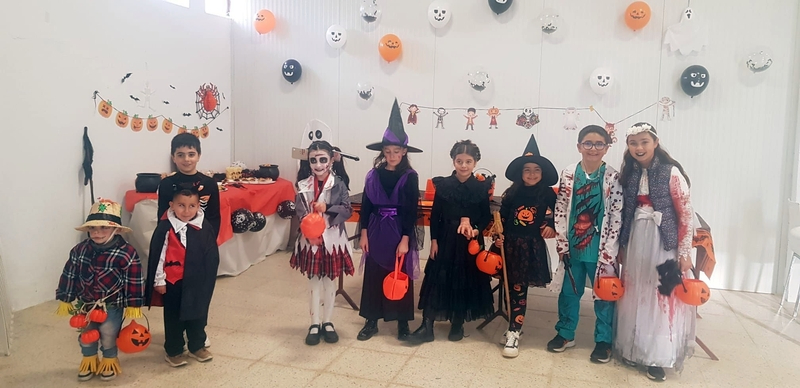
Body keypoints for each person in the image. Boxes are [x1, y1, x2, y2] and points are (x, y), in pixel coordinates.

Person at [614, 122, 695, 382]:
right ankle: (633, 348)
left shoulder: (671, 173)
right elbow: (624, 211)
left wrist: (684, 252)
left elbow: (685, 214)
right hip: (637, 237)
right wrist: (622, 246)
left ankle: (658, 356)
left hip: (664, 241)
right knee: (636, 290)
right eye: (633, 142)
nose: (639, 147)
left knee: (661, 294)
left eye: (644, 142)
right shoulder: (629, 173)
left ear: (655, 143)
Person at [549, 125, 623, 364]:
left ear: (607, 148)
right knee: (569, 292)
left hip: (600, 249)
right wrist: (562, 243)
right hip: (573, 245)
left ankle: (603, 340)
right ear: (579, 146)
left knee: (604, 295)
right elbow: (560, 208)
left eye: (599, 144)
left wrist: (609, 251)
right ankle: (565, 333)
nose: (593, 148)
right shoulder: (569, 172)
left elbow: (616, 214)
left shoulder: (613, 177)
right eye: (588, 143)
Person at [409, 140, 494, 344]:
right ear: (453, 161)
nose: (463, 166)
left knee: (464, 280)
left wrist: (475, 229)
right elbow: (436, 215)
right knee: (438, 279)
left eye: (468, 161)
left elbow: (485, 216)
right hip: (446, 238)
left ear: (476, 162)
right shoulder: (444, 185)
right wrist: (434, 240)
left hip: (470, 242)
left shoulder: (482, 187)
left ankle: (458, 322)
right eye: (459, 161)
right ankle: (427, 325)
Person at [56, 199, 144, 381]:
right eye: (93, 228)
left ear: (116, 230)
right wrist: (66, 297)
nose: (97, 232)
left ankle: (109, 361)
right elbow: (70, 273)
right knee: (86, 334)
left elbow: (134, 280)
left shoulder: (126, 253)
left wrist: (133, 304)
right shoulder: (79, 250)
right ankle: (89, 360)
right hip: (85, 304)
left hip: (111, 306)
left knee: (108, 334)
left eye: (104, 228)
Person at [357, 99, 422, 342]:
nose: (392, 155)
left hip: (398, 231)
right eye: (388, 151)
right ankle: (371, 320)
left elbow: (410, 211)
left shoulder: (410, 177)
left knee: (399, 273)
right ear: (382, 153)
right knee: (374, 274)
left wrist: (406, 239)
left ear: (404, 152)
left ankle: (402, 322)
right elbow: (366, 205)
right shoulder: (373, 175)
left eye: (397, 151)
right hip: (375, 231)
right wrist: (364, 233)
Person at [493, 134, 558, 358]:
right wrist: (497, 237)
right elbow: (500, 219)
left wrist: (550, 225)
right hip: (509, 245)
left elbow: (557, 215)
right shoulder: (511, 193)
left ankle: (514, 331)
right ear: (521, 173)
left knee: (520, 289)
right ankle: (513, 322)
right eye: (527, 170)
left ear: (542, 173)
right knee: (511, 286)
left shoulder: (548, 194)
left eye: (536, 170)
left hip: (530, 248)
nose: (531, 174)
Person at [145, 184, 220, 367]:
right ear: (171, 205)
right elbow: (159, 256)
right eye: (181, 205)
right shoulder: (165, 228)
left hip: (197, 282)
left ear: (198, 206)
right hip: (173, 281)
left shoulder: (204, 226)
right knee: (174, 317)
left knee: (198, 314)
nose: (186, 211)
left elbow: (211, 254)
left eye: (191, 206)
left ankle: (197, 345)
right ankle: (174, 350)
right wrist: (159, 281)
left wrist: (208, 279)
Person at [291, 140, 354, 346]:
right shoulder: (302, 185)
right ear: (308, 162)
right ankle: (314, 323)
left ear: (331, 160)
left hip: (333, 240)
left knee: (329, 282)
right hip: (310, 241)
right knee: (314, 282)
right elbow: (300, 213)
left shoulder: (339, 184)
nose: (318, 165)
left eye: (323, 160)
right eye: (313, 160)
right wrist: (309, 234)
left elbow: (347, 210)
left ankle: (328, 322)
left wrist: (326, 207)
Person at [157, 133, 221, 239]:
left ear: (198, 156)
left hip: (202, 239)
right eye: (180, 155)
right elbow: (162, 217)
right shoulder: (166, 184)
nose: (186, 159)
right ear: (173, 157)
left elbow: (214, 217)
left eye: (191, 154)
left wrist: (210, 241)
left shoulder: (209, 183)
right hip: (173, 241)